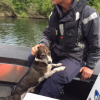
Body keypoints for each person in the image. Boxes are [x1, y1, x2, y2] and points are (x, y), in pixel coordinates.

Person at [28, 0, 100, 99]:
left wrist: (90, 66)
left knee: (57, 77)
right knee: (32, 59)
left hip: (75, 57)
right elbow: (47, 34)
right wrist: (42, 46)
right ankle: (40, 92)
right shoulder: (55, 13)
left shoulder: (89, 14)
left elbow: (97, 43)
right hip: (56, 51)